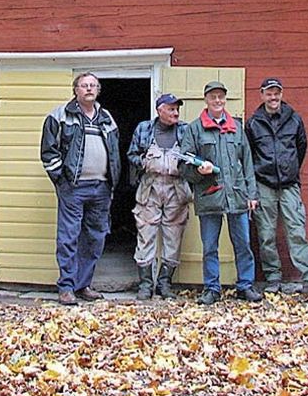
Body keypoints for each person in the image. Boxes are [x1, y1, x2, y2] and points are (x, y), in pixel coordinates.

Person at [245, 76, 308, 296]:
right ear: (262, 95)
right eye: (269, 93)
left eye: (276, 93)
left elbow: (301, 147)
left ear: (281, 94)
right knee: (266, 234)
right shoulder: (254, 123)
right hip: (263, 183)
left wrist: (290, 169)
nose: (273, 97)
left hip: (289, 184)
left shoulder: (294, 119)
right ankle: (273, 278)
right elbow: (249, 154)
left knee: (296, 231)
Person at [40, 71, 121, 306]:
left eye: (93, 85)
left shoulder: (107, 118)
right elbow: (48, 151)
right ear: (75, 89)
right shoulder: (60, 116)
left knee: (95, 238)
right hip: (73, 188)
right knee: (69, 237)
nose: (89, 89)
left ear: (98, 91)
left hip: (101, 188)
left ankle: (82, 284)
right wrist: (61, 180)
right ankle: (66, 287)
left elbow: (114, 152)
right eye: (84, 85)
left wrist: (113, 181)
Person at [181, 81, 262, 305]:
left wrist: (252, 195)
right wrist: (198, 170)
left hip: (237, 196)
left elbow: (247, 163)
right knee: (209, 246)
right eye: (213, 97)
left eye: (221, 97)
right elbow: (184, 165)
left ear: (225, 99)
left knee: (243, 244)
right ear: (206, 99)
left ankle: (245, 286)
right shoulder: (194, 129)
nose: (218, 101)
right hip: (209, 196)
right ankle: (212, 288)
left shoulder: (236, 126)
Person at [127, 92, 192, 299]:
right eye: (171, 108)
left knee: (173, 236)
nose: (176, 112)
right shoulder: (144, 129)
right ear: (160, 110)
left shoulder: (185, 130)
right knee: (146, 235)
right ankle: (145, 284)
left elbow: (195, 156)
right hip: (150, 187)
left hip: (177, 188)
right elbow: (131, 155)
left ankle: (164, 284)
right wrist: (143, 162)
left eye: (177, 109)